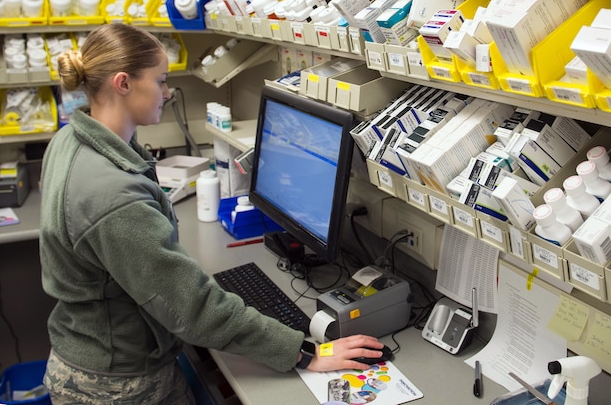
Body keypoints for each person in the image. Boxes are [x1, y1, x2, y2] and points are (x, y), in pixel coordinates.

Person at [39, 24, 384, 404]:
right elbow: (192, 309)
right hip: (118, 385)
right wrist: (305, 353)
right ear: (123, 83)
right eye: (161, 80)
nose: (167, 93)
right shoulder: (113, 196)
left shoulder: (70, 139)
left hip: (87, 351)